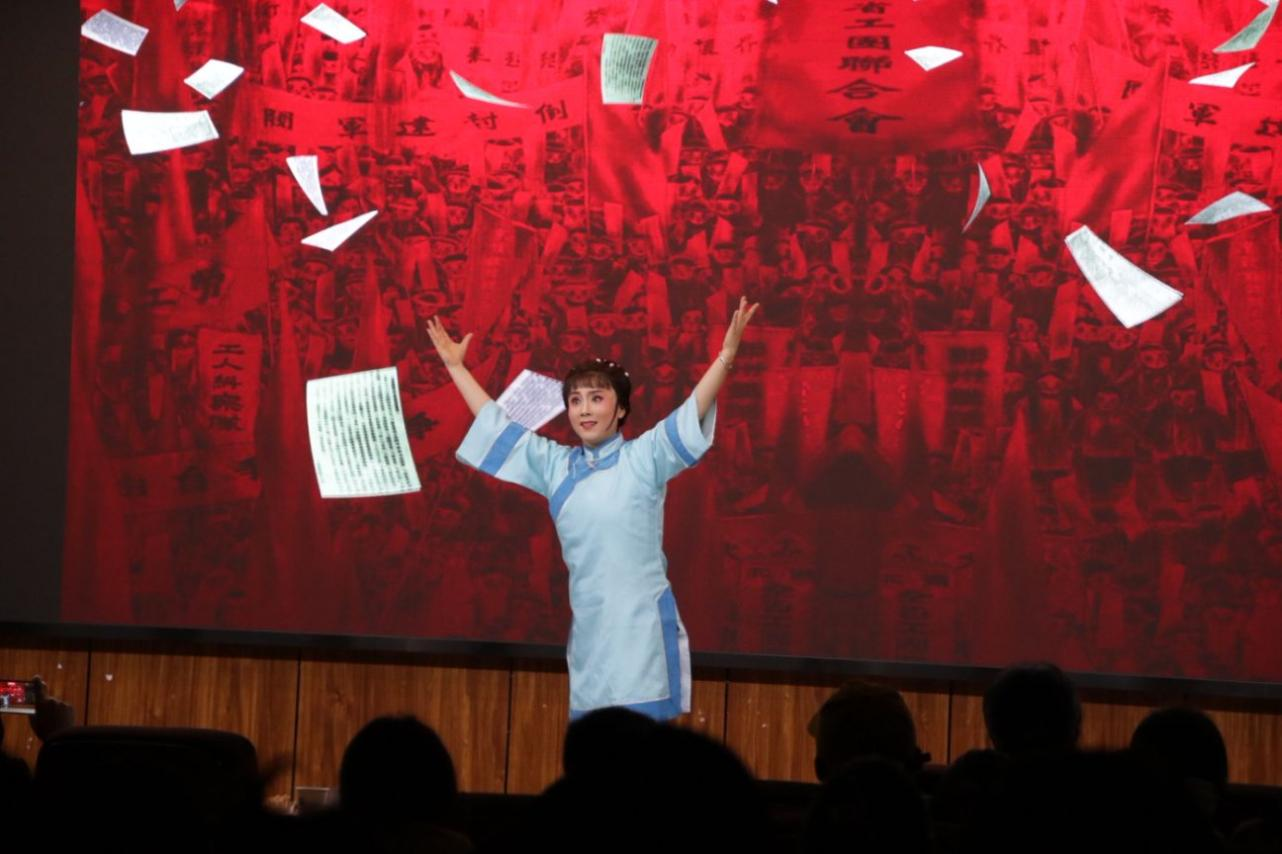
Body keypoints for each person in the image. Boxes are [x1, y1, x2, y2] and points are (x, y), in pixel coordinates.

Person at [425, 297, 759, 720]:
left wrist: (726, 357)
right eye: (576, 400)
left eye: (597, 398)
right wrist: (456, 367)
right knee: (593, 749)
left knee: (643, 746)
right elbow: (498, 425)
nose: (584, 409)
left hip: (641, 632)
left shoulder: (644, 458)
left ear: (620, 409)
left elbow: (692, 409)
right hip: (589, 638)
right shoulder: (555, 466)